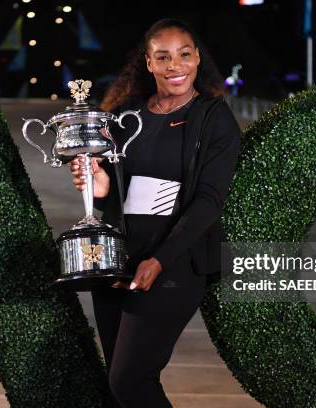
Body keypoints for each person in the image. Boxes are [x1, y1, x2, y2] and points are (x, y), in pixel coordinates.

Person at [68, 18, 241, 408]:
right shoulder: (125, 115)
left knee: (132, 380)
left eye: (183, 54)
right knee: (116, 385)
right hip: (117, 260)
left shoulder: (214, 119)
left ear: (197, 58)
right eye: (162, 56)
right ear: (148, 63)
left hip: (175, 263)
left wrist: (160, 260)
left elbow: (208, 201)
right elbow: (113, 190)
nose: (174, 65)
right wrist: (98, 185)